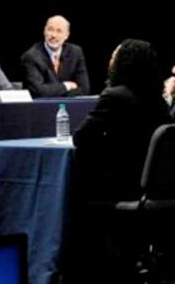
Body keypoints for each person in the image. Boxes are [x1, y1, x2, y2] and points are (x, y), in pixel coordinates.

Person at [72, 39, 170, 280]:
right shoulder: (158, 100)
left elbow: (82, 138)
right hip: (158, 189)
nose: (109, 61)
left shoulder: (115, 95)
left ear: (122, 63)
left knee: (75, 191)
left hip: (123, 188)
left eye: (114, 56)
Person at [20, 15, 90, 97]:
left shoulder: (75, 52)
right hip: (40, 107)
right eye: (50, 30)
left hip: (69, 107)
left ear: (66, 35)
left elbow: (84, 89)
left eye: (59, 31)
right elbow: (39, 91)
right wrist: (66, 86)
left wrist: (53, 92)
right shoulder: (31, 57)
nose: (53, 35)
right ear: (44, 31)